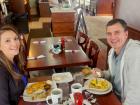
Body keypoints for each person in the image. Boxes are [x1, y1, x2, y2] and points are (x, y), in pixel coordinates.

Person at [93, 19, 140, 105]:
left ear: (126, 34)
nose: (113, 37)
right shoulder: (112, 52)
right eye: (109, 34)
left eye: (117, 32)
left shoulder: (135, 53)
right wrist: (102, 74)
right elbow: (113, 75)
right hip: (112, 95)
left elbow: (136, 94)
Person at [0, 25, 28, 105]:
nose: (15, 43)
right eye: (7, 41)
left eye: (16, 38)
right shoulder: (1, 71)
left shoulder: (15, 61)